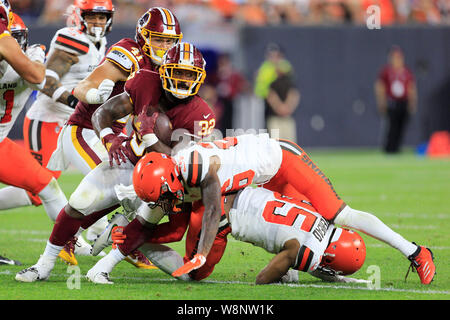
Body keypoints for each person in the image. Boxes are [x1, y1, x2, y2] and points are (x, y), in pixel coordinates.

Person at [101, 132, 435, 285]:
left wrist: (202, 250)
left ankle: (415, 251)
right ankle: (296, 269)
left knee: (336, 215)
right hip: (250, 184)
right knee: (192, 264)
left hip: (281, 164)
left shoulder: (196, 169)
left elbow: (213, 204)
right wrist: (131, 211)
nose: (162, 200)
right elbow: (175, 209)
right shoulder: (179, 172)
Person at [14, 42, 216, 283]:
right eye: (178, 72)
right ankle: (43, 265)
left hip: (166, 177)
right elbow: (103, 113)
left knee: (155, 227)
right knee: (79, 203)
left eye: (189, 74)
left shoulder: (200, 115)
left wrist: (150, 137)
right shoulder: (145, 81)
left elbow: (182, 162)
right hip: (129, 160)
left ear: (199, 77)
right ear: (164, 71)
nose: (183, 80)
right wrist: (109, 138)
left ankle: (103, 265)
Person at [45, 6, 183, 268]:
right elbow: (83, 86)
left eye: (169, 41)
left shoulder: (164, 65)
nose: (164, 46)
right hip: (86, 129)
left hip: (117, 134)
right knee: (118, 189)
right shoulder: (129, 54)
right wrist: (96, 97)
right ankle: (114, 239)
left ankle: (100, 236)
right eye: (158, 39)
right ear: (144, 37)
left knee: (128, 188)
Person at [0, 0, 115, 258]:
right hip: (50, 120)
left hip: (67, 126)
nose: (97, 22)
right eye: (92, 16)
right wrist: (79, 100)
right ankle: (90, 233)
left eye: (102, 16)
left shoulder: (98, 44)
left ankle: (80, 236)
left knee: (53, 185)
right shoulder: (64, 43)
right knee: (46, 189)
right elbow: (44, 80)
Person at [0, 7, 67, 264]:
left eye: (16, 40)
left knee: (47, 186)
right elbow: (37, 75)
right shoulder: (29, 63)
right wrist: (37, 59)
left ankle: (69, 242)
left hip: (1, 143)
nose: (12, 47)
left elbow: (48, 85)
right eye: (9, 41)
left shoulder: (24, 63)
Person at [374, 45, 418, 154]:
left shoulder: (406, 71)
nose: (397, 60)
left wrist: (412, 102)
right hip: (392, 102)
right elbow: (380, 86)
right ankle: (389, 148)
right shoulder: (387, 71)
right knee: (391, 127)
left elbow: (411, 87)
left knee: (401, 126)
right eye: (394, 57)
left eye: (399, 57)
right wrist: (381, 102)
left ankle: (397, 148)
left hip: (403, 102)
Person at [254, 43, 299, 142]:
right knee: (275, 141)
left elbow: (293, 91)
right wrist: (279, 107)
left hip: (287, 112)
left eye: (277, 55)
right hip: (271, 111)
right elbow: (266, 92)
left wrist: (287, 107)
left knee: (289, 142)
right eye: (271, 55)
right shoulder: (265, 69)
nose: (274, 58)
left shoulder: (286, 67)